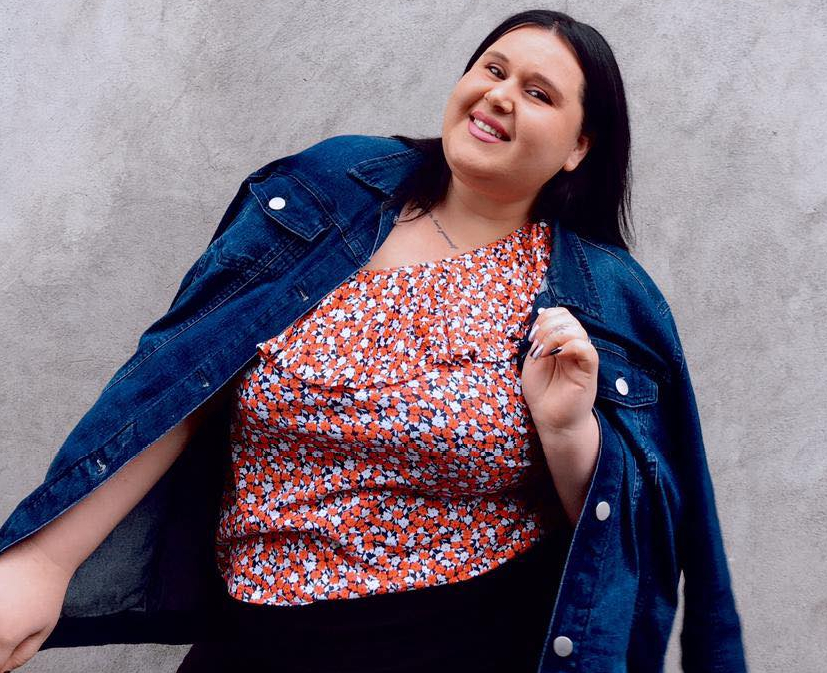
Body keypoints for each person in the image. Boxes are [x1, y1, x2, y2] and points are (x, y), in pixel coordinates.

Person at [0, 9, 748, 673]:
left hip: (457, 642)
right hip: (252, 636)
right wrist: (45, 562)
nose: (500, 95)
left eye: (538, 93)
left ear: (579, 147)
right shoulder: (327, 190)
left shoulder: (605, 299)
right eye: (493, 70)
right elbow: (181, 381)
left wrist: (566, 431)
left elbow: (631, 537)